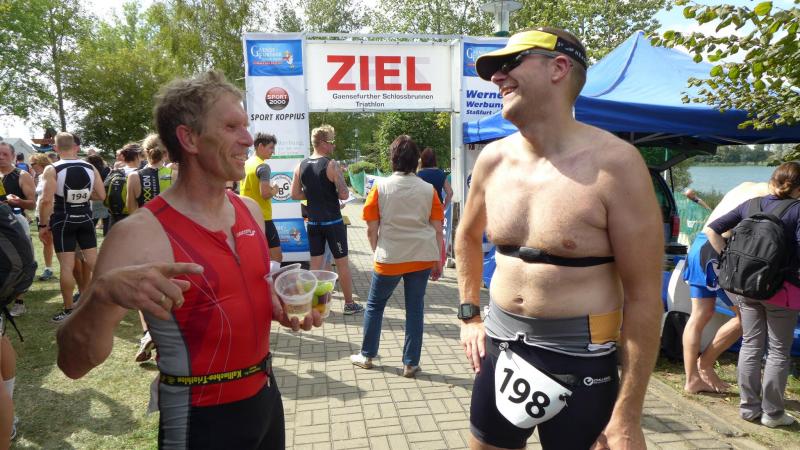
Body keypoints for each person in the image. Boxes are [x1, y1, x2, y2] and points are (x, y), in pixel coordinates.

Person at [56, 70, 322, 449]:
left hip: (266, 400)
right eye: (231, 127)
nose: (248, 139)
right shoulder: (139, 234)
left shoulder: (248, 210)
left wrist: (276, 303)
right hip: (199, 420)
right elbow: (72, 364)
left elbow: (234, 294)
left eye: (245, 126)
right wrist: (99, 297)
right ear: (189, 138)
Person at [457, 27, 663, 450]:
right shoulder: (493, 159)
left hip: (582, 361)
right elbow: (467, 236)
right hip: (501, 349)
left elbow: (644, 297)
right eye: (495, 69)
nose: (497, 77)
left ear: (559, 67)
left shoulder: (616, 165)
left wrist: (628, 415)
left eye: (510, 63)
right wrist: (469, 316)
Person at [705, 161, 800, 428]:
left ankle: (748, 409)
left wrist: (728, 260)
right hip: (783, 290)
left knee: (750, 344)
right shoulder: (797, 210)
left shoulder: (752, 204)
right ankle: (773, 414)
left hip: (746, 286)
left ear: (773, 181)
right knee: (778, 351)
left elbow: (712, 228)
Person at [350, 135, 444, 378]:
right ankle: (410, 363)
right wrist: (438, 260)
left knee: (375, 306)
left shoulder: (379, 188)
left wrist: (376, 250)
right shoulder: (429, 190)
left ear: (392, 158)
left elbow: (371, 228)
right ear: (416, 161)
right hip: (421, 256)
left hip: (389, 257)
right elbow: (437, 229)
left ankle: (367, 355)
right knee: (415, 309)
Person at [681, 182, 769, 394]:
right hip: (717, 248)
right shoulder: (772, 196)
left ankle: (692, 379)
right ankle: (705, 365)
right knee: (745, 317)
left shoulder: (744, 185)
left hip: (698, 244)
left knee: (699, 315)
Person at [291, 125, 363, 315]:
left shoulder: (300, 165)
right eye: (331, 141)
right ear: (322, 143)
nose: (334, 145)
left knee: (315, 265)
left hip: (313, 223)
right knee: (342, 263)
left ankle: (314, 306)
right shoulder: (332, 165)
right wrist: (330, 195)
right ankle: (349, 304)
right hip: (332, 223)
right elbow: (344, 193)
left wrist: (315, 196)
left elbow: (294, 194)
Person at [38, 132, 106, 322]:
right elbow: (101, 195)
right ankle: (103, 303)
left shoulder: (53, 168)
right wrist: (83, 196)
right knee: (94, 264)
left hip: (63, 220)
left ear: (55, 148)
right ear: (76, 147)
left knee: (66, 267)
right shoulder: (90, 167)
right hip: (85, 218)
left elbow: (46, 200)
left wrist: (43, 225)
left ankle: (68, 309)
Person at [124, 134, 174, 362]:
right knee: (169, 287)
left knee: (143, 288)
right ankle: (166, 338)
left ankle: (147, 334)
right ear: (166, 152)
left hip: (144, 237)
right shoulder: (174, 175)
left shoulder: (135, 176)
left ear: (144, 153)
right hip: (170, 238)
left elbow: (131, 210)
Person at [0, 142, 36, 318]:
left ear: (13, 156)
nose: (1, 157)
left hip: (17, 225)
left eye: (5, 154)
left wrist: (18, 202)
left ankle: (19, 302)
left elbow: (32, 203)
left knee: (21, 263)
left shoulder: (21, 175)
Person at [242, 132, 282, 262]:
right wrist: (275, 190)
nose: (273, 152)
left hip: (246, 217)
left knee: (256, 257)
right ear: (260, 146)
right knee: (276, 258)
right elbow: (265, 194)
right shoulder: (263, 166)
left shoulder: (246, 163)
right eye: (271, 148)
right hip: (263, 218)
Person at [29, 153, 56, 283]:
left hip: (51, 214)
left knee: (58, 243)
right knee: (46, 242)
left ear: (40, 163)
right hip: (41, 214)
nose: (31, 166)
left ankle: (67, 269)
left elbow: (49, 198)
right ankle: (48, 268)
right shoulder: (40, 176)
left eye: (32, 164)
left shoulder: (51, 174)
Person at [105, 143, 142, 228]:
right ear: (137, 156)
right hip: (133, 215)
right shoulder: (140, 174)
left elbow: (105, 191)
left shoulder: (115, 172)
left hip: (115, 215)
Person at [86, 154, 110, 236]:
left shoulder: (90, 170)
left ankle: (89, 236)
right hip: (105, 196)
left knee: (93, 218)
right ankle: (106, 236)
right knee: (106, 218)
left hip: (94, 196)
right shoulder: (106, 170)